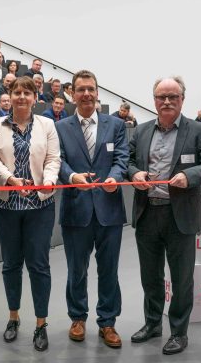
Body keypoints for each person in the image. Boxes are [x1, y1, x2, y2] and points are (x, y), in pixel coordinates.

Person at [128, 76, 201, 355]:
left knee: (181, 279)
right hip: (147, 213)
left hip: (180, 215)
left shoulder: (200, 130)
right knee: (150, 276)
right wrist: (136, 174)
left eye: (173, 96)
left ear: (182, 99)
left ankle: (179, 332)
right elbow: (129, 163)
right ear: (154, 100)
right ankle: (153, 323)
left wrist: (188, 175)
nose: (166, 101)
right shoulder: (141, 131)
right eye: (161, 97)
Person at [0, 75, 60, 352]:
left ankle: (41, 324)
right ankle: (13, 317)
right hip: (5, 205)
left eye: (27, 93)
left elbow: (53, 159)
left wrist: (48, 181)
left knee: (39, 265)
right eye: (17, 92)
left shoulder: (47, 124)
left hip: (40, 205)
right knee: (11, 264)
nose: (21, 97)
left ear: (35, 98)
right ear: (10, 95)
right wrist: (10, 179)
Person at [55, 70, 129, 349]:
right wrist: (72, 177)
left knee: (109, 270)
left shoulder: (116, 125)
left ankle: (108, 322)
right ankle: (77, 317)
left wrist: (116, 177)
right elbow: (58, 161)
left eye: (91, 89)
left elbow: (122, 158)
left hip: (109, 208)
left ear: (98, 92)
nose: (86, 93)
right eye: (81, 89)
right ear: (72, 94)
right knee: (77, 270)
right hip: (76, 209)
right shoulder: (60, 127)